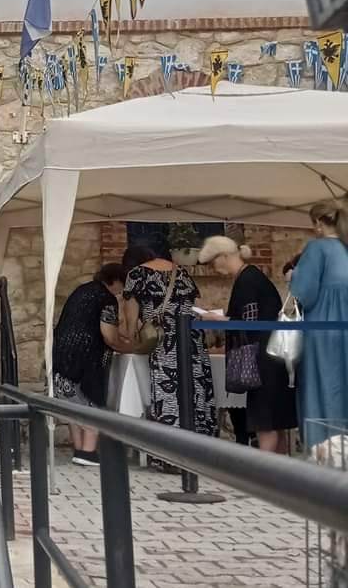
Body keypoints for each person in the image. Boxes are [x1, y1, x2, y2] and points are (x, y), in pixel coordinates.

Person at [119, 245, 217, 467]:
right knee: (195, 390)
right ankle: (200, 454)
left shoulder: (136, 275)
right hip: (192, 339)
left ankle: (171, 457)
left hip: (165, 341)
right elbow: (195, 306)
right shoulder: (180, 272)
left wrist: (132, 338)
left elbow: (131, 323)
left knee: (169, 394)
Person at [198, 236, 297, 453]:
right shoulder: (252, 277)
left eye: (213, 262)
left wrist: (217, 320)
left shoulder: (247, 280)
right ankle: (279, 469)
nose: (213, 268)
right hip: (272, 356)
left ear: (223, 256)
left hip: (262, 360)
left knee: (265, 422)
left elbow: (248, 322)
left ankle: (264, 469)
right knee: (275, 422)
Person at [52, 264, 127, 466]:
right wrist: (129, 347)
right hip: (86, 358)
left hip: (60, 354)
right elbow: (109, 336)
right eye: (122, 284)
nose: (122, 290)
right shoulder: (106, 298)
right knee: (91, 402)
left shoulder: (80, 290)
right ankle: (88, 452)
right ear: (115, 281)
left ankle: (79, 449)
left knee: (71, 405)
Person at [290, 200, 348, 448]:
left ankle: (324, 449)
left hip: (323, 329)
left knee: (322, 386)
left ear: (318, 223)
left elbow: (304, 293)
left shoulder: (317, 248)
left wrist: (293, 277)